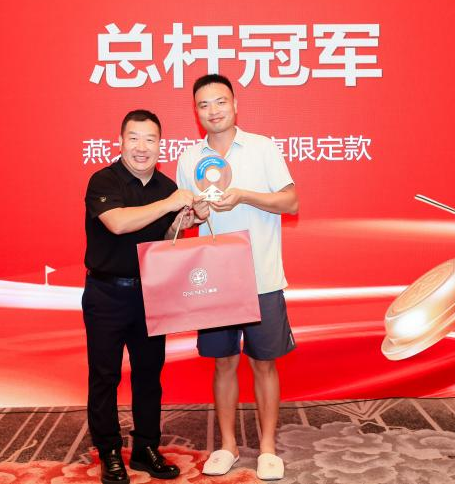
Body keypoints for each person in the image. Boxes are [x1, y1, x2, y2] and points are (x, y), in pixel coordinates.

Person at [176, 74, 299, 481]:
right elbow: (183, 217)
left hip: (261, 275)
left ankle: (267, 448)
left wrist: (244, 194)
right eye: (204, 105)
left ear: (234, 105)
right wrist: (193, 214)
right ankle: (227, 445)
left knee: (264, 363)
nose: (213, 111)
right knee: (224, 362)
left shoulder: (262, 148)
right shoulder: (189, 159)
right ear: (196, 112)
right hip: (215, 280)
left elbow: (291, 201)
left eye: (220, 102)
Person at [84, 109, 206, 484]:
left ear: (159, 144)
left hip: (152, 293)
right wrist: (170, 205)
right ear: (121, 141)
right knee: (104, 375)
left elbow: (167, 238)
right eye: (134, 138)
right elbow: (118, 223)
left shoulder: (166, 187)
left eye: (150, 139)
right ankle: (108, 451)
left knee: (149, 375)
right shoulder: (103, 180)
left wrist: (186, 220)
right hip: (106, 293)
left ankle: (145, 448)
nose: (142, 147)